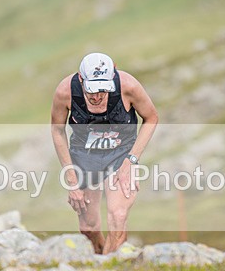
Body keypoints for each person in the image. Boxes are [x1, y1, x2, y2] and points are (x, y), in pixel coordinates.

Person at [51, 52, 158, 254]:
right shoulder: (65, 92)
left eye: (103, 89)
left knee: (118, 215)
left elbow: (151, 118)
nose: (98, 96)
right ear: (81, 79)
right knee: (88, 227)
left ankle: (111, 269)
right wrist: (71, 178)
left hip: (121, 155)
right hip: (84, 156)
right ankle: (98, 261)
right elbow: (57, 131)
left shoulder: (129, 86)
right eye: (92, 90)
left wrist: (131, 162)